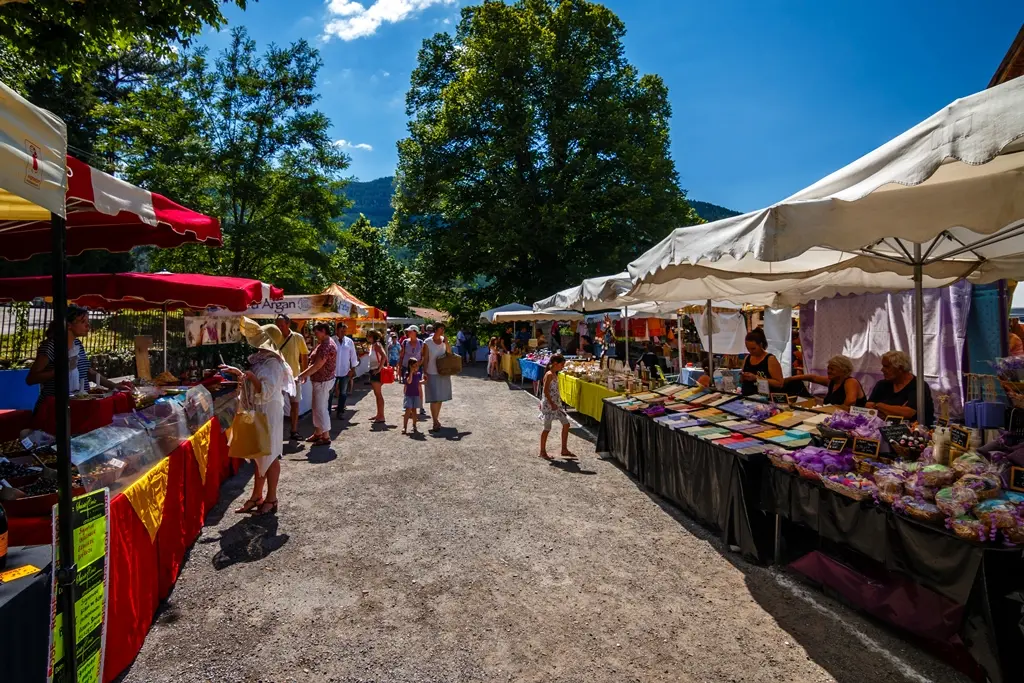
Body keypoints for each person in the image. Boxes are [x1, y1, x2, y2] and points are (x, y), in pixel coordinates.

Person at [221, 318, 295, 516]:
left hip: (269, 411)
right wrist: (241, 374)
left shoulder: (273, 363)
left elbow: (266, 390)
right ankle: (257, 496)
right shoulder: (263, 360)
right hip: (261, 409)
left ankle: (271, 498)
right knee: (259, 454)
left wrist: (250, 377)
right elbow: (256, 387)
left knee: (270, 455)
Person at [27, 305, 133, 403]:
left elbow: (89, 372)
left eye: (88, 321)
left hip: (79, 403)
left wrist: (114, 386)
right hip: (55, 406)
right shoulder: (51, 346)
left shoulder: (77, 344)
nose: (88, 325)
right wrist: (60, 371)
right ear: (68, 325)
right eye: (83, 322)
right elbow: (31, 378)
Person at [296, 323, 337, 446]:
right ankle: (318, 432)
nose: (315, 335)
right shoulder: (326, 343)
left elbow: (317, 365)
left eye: (317, 332)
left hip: (322, 381)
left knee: (320, 408)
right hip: (322, 380)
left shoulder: (326, 345)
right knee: (317, 407)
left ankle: (326, 436)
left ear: (323, 331)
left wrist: (301, 376)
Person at [867, 350, 934, 424]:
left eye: (886, 367)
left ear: (900, 368)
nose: (882, 370)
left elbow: (908, 413)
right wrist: (897, 411)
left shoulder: (919, 386)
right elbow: (868, 406)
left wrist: (879, 405)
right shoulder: (882, 384)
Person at [273, 314, 308, 441]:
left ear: (288, 324)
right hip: (278, 377)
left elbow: (304, 355)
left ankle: (294, 430)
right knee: (277, 405)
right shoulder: (273, 338)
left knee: (295, 404)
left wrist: (304, 373)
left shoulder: (298, 337)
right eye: (277, 325)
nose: (279, 328)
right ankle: (277, 431)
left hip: (294, 377)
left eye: (281, 325)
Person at [789, 355, 866, 408]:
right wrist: (788, 379)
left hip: (851, 419)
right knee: (796, 384)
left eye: (832, 369)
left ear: (843, 370)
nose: (828, 371)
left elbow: (850, 401)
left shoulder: (851, 382)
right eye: (828, 368)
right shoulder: (832, 381)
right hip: (832, 415)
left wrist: (829, 410)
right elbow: (812, 378)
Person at [538, 354, 575, 461]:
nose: (562, 367)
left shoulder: (554, 374)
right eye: (561, 364)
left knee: (566, 424)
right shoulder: (549, 374)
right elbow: (545, 391)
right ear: (555, 363)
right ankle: (542, 451)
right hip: (549, 405)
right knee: (547, 428)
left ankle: (564, 449)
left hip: (556, 405)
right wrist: (551, 403)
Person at [421, 322, 454, 432]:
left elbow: (449, 354)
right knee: (434, 398)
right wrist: (425, 372)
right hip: (431, 372)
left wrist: (447, 343)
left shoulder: (444, 341)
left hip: (443, 372)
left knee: (440, 398)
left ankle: (436, 419)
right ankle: (435, 421)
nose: (443, 330)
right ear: (435, 329)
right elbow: (425, 358)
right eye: (441, 328)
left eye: (443, 329)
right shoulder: (427, 342)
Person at [740, 328, 784, 396]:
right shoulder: (747, 358)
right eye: (748, 348)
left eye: (753, 348)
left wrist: (756, 378)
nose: (750, 351)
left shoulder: (770, 359)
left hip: (764, 399)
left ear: (760, 345)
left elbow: (779, 383)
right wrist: (742, 377)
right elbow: (741, 380)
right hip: (746, 397)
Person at [332, 322, 359, 419]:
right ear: (337, 330)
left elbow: (353, 356)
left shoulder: (349, 341)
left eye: (344, 331)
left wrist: (353, 369)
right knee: (330, 393)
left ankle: (340, 411)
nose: (343, 332)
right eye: (341, 330)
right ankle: (327, 412)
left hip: (345, 370)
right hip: (332, 371)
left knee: (343, 393)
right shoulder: (331, 340)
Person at [366, 330, 388, 423]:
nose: (367, 337)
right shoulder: (373, 345)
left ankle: (381, 416)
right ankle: (379, 414)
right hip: (373, 370)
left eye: (369, 336)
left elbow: (384, 356)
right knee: (377, 394)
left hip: (376, 371)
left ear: (373, 336)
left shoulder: (377, 345)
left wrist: (379, 369)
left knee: (378, 394)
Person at [403, 357, 424, 435]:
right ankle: (404, 427)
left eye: (417, 365)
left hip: (416, 394)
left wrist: (421, 394)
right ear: (410, 366)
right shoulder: (407, 374)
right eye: (414, 366)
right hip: (409, 395)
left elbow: (419, 383)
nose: (416, 367)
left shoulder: (418, 374)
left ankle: (414, 425)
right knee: (408, 410)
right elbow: (409, 381)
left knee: (414, 411)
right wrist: (411, 373)